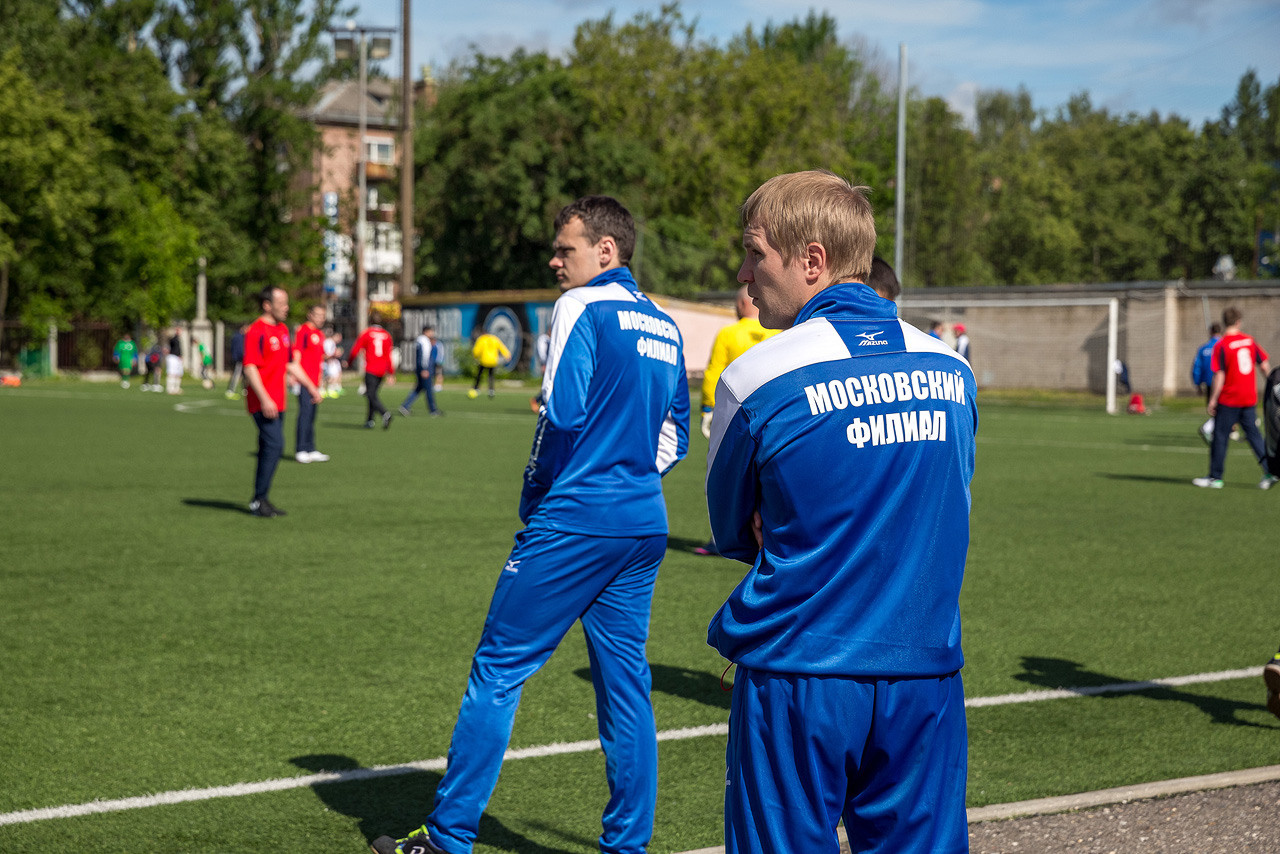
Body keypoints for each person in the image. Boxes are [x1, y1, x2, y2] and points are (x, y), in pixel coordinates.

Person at [370, 195, 690, 854]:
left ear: (606, 251)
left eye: (565, 247)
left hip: (577, 517)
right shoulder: (664, 322)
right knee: (626, 687)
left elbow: (561, 415)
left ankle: (449, 837)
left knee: (499, 669)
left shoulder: (579, 307)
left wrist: (538, 493)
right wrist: (629, 474)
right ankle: (627, 847)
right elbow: (676, 433)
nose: (553, 259)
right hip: (641, 520)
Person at [704, 170, 976, 854]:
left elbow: (735, 529)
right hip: (926, 675)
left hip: (800, 672)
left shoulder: (755, 376)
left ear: (812, 261)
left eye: (754, 252)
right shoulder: (953, 371)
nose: (743, 271)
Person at [691, 285, 779, 557]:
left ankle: (722, 538)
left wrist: (707, 406)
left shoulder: (729, 333)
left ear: (743, 304)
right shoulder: (780, 334)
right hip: (773, 414)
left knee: (723, 474)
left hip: (734, 416)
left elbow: (714, 372)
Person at [243, 286, 321, 517]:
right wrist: (265, 399)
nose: (287, 308)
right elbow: (250, 368)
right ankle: (259, 499)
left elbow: (290, 363)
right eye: (282, 303)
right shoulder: (257, 331)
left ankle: (261, 499)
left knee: (269, 448)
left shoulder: (283, 330)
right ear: (267, 305)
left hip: (279, 401)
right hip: (263, 403)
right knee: (275, 445)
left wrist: (310, 385)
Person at [1193, 307, 1276, 489]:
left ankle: (1215, 477)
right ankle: (1270, 472)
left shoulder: (1222, 345)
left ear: (1225, 322)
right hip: (1248, 397)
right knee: (1254, 435)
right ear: (1238, 322)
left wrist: (1213, 398)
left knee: (1220, 436)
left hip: (1230, 398)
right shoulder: (1249, 341)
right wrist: (1272, 387)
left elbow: (1220, 375)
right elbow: (1264, 365)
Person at [292, 303, 330, 463]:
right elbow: (297, 353)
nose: (321, 319)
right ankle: (300, 448)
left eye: (323, 316)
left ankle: (310, 448)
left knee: (312, 415)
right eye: (318, 315)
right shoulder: (304, 331)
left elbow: (319, 358)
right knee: (305, 414)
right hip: (304, 381)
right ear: (310, 315)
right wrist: (295, 377)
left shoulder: (319, 334)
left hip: (315, 382)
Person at [347, 312, 396, 429]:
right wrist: (391, 372)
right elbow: (388, 355)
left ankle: (385, 413)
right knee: (373, 394)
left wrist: (349, 362)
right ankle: (369, 421)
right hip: (382, 370)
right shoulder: (386, 335)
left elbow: (355, 349)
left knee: (370, 394)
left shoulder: (367, 334)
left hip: (371, 368)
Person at [399, 325, 442, 417]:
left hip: (421, 368)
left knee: (419, 388)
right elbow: (424, 357)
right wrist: (424, 369)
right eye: (431, 331)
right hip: (424, 369)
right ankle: (433, 410)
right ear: (426, 331)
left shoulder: (420, 340)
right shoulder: (424, 341)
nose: (432, 333)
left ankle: (405, 406)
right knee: (429, 389)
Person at [1193, 323, 1223, 444]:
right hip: (1222, 383)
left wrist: (1198, 384)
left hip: (1209, 383)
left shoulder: (1203, 348)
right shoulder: (1223, 346)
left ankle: (1222, 431)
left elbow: (1197, 368)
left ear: (1210, 332)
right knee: (1225, 409)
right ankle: (1208, 428)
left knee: (1215, 409)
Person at [469, 330, 510, 399]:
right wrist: (507, 355)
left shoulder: (481, 339)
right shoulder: (494, 339)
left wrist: (475, 356)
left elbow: (477, 350)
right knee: (491, 376)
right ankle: (491, 390)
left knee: (479, 375)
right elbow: (501, 346)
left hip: (484, 360)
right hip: (493, 360)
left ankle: (476, 388)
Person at [226, 324, 247, 399]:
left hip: (239, 358)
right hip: (239, 359)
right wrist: (242, 356)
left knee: (245, 375)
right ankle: (230, 390)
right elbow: (239, 349)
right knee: (236, 374)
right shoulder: (239, 337)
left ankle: (245, 390)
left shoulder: (237, 336)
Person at [324, 329, 345, 398]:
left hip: (331, 361)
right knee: (331, 376)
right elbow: (327, 354)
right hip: (329, 361)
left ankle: (332, 389)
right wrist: (336, 354)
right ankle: (329, 390)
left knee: (334, 375)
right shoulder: (329, 342)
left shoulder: (330, 342)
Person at [164, 328, 184, 394]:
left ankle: (176, 388)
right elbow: (169, 345)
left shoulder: (178, 339)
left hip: (177, 358)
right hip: (172, 357)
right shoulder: (173, 339)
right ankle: (170, 388)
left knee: (178, 374)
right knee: (171, 373)